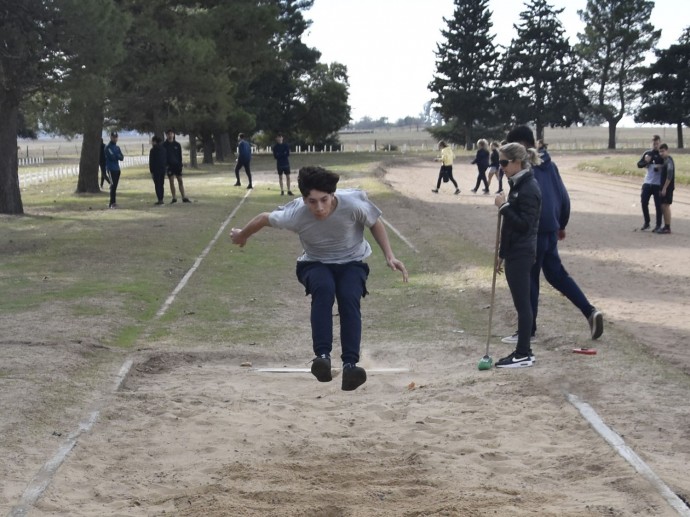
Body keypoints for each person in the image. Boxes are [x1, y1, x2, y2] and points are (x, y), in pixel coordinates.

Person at [230, 166, 408, 391]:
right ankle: (322, 357)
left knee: (349, 296)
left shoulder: (352, 205)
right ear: (304, 199)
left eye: (324, 199)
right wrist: (242, 235)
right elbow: (264, 218)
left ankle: (351, 365)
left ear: (332, 195)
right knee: (324, 289)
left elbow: (374, 222)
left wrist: (389, 256)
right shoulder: (296, 214)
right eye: (312, 201)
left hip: (352, 262)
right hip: (314, 263)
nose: (319, 207)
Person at [503, 125, 603, 344]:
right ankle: (589, 311)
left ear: (520, 145)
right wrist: (561, 223)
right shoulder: (550, 164)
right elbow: (564, 196)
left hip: (534, 231)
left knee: (529, 279)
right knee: (557, 275)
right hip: (551, 229)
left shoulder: (525, 169)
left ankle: (527, 330)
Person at [494, 143, 542, 368]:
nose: (501, 167)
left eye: (504, 162)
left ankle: (523, 353)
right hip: (513, 251)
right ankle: (524, 351)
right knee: (521, 303)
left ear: (517, 162)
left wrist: (504, 207)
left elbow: (524, 225)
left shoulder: (529, 188)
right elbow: (509, 228)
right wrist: (502, 253)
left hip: (523, 252)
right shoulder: (517, 185)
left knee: (523, 305)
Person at [636, 135, 663, 232]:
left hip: (657, 184)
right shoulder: (647, 153)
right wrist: (645, 161)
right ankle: (647, 222)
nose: (655, 145)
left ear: (660, 143)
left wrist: (661, 166)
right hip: (647, 182)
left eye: (657, 143)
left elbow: (667, 166)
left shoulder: (662, 154)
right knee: (643, 202)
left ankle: (658, 225)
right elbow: (639, 165)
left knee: (658, 205)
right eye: (654, 144)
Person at [163, 129, 190, 203]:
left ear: (174, 135)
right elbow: (163, 157)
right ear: (166, 135)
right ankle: (174, 197)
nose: (170, 135)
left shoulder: (177, 145)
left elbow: (179, 156)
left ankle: (183, 197)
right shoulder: (164, 145)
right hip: (169, 166)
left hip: (177, 166)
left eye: (171, 134)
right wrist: (166, 166)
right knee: (171, 181)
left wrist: (180, 164)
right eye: (168, 134)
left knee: (180, 181)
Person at [657, 143, 675, 234]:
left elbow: (670, 175)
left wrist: (664, 188)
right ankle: (665, 226)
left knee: (665, 206)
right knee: (663, 206)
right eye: (660, 151)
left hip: (668, 187)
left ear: (667, 151)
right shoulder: (665, 161)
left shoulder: (669, 161)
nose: (661, 153)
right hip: (664, 187)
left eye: (663, 151)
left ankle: (667, 227)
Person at [104, 131, 124, 209]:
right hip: (111, 169)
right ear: (111, 137)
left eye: (116, 137)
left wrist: (117, 155)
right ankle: (111, 203)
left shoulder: (117, 147)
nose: (115, 138)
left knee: (115, 186)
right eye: (113, 137)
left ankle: (114, 202)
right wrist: (117, 155)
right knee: (112, 186)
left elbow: (122, 157)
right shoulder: (108, 147)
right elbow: (112, 157)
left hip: (117, 169)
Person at [149, 135, 167, 205]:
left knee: (157, 184)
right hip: (162, 169)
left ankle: (159, 199)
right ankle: (161, 198)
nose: (152, 143)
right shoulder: (164, 149)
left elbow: (151, 161)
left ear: (155, 142)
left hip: (156, 170)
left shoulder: (153, 150)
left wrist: (151, 170)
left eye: (152, 141)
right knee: (161, 184)